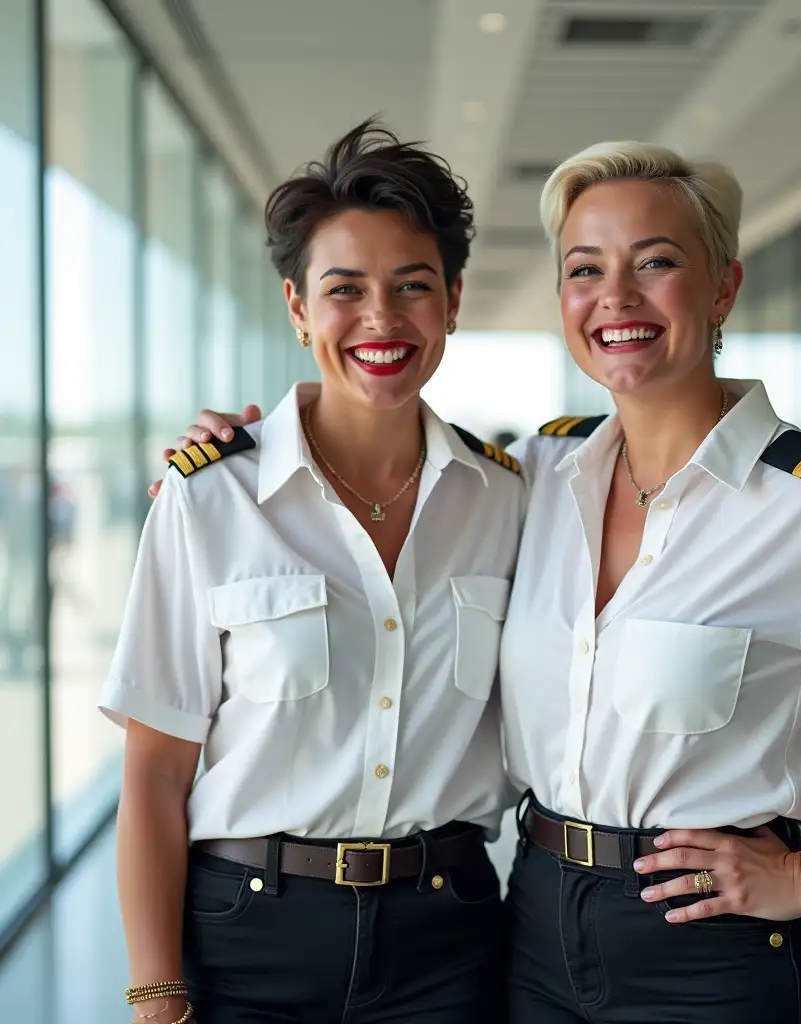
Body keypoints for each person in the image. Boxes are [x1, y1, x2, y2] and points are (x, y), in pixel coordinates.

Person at [166, 141, 801, 1023]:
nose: (616, 297)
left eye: (656, 263)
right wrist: (243, 452)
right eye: (586, 269)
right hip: (531, 925)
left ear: (723, 287)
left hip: (709, 948)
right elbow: (375, 452)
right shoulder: (534, 475)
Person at [103, 121, 525, 1024]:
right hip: (245, 933)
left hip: (446, 937)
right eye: (345, 291)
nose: (382, 319)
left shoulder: (509, 503)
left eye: (413, 286)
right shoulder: (211, 499)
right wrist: (155, 989)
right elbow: (153, 774)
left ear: (452, 299)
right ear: (298, 309)